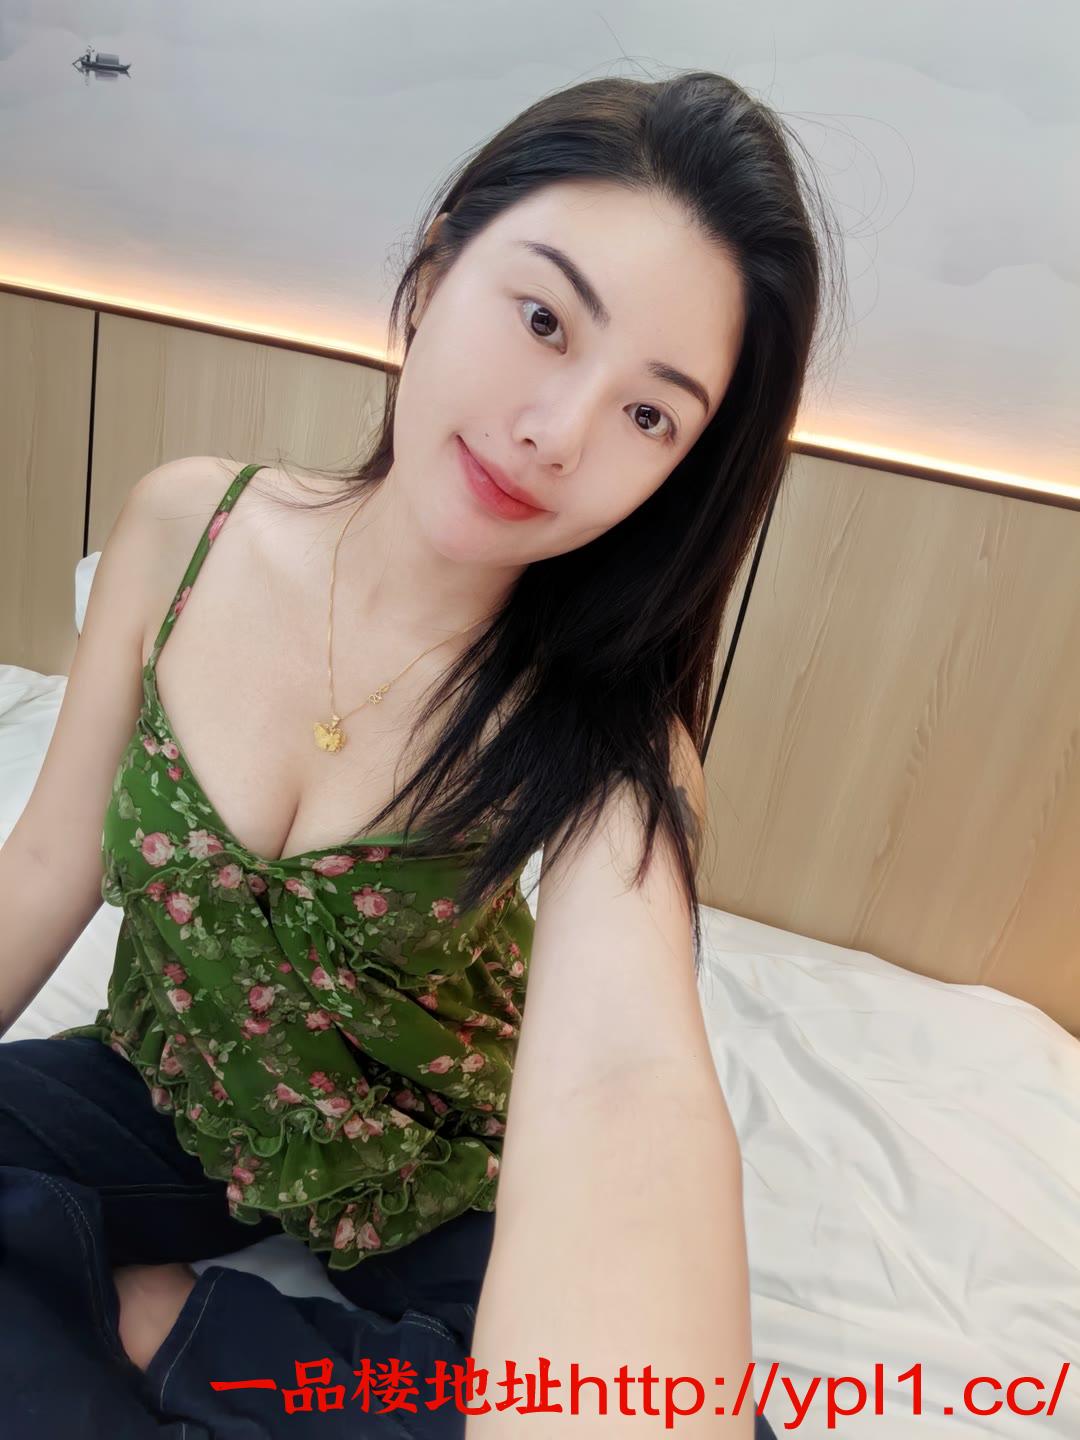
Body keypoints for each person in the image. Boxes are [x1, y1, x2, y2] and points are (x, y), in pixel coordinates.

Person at [0, 66, 841, 1437]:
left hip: (434, 1182)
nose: (554, 435)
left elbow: (627, 1083)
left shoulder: (613, 739)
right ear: (438, 264)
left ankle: (175, 1335)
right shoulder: (187, 527)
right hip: (167, 1094)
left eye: (650, 415)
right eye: (543, 319)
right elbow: (46, 862)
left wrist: (192, 1328)